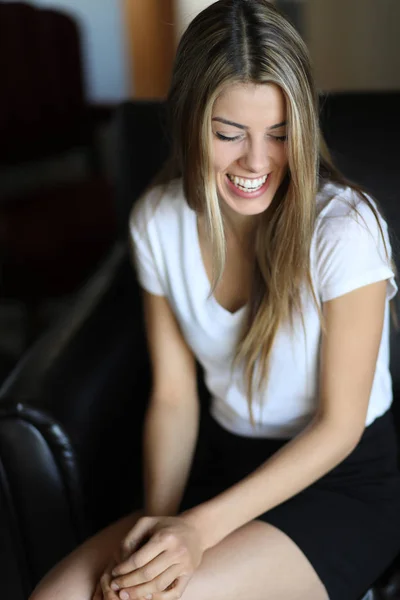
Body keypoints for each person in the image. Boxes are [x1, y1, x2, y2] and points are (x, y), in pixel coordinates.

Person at [30, 1, 400, 599]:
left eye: (280, 135)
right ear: (190, 120)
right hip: (223, 465)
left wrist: (197, 531)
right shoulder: (157, 220)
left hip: (338, 482)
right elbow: (175, 398)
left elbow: (338, 428)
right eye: (230, 134)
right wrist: (158, 527)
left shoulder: (346, 229)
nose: (256, 161)